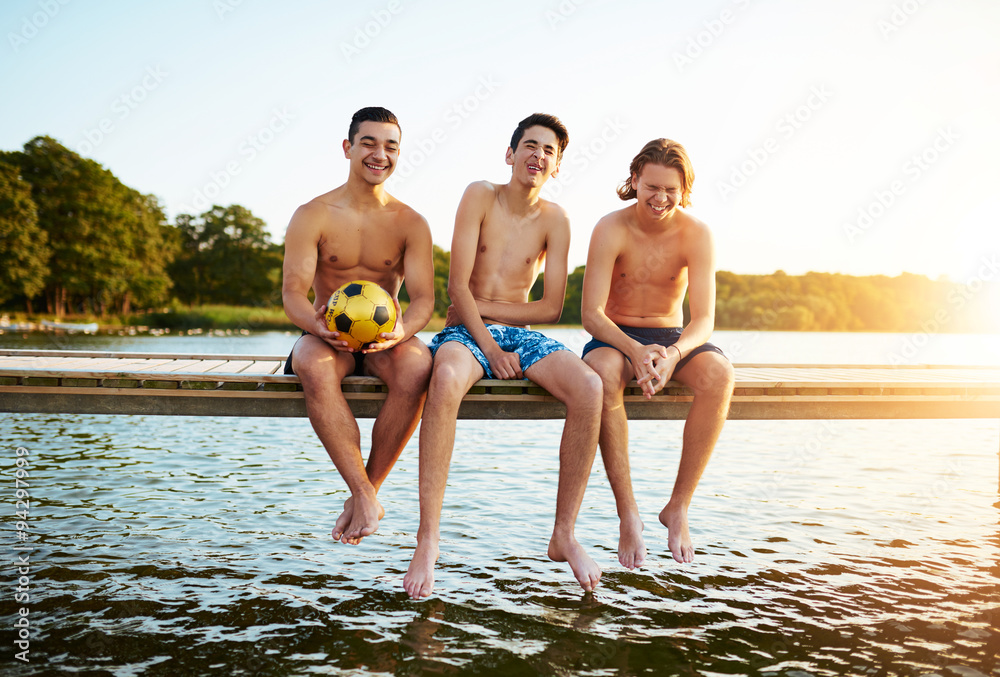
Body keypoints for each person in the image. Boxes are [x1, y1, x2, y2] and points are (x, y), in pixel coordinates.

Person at [402, 114, 604, 599]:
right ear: (510, 154)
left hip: (520, 333)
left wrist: (492, 316)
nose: (538, 155)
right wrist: (489, 344)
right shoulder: (480, 195)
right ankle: (427, 539)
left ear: (557, 165)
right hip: (466, 334)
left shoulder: (556, 220)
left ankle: (564, 533)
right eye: (529, 145)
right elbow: (456, 286)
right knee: (446, 379)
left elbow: (552, 307)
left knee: (590, 387)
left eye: (549, 150)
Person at [281, 106, 435, 546]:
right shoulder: (313, 213)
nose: (379, 154)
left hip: (386, 341)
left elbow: (423, 300)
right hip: (326, 336)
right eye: (368, 143)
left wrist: (401, 334)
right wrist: (314, 324)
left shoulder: (411, 222)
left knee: (418, 366)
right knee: (311, 362)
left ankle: (366, 493)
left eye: (390, 146)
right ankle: (364, 494)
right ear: (348, 148)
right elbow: (293, 291)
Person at [580, 138, 734, 568]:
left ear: (684, 189)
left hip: (671, 337)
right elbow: (590, 314)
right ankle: (628, 513)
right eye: (651, 187)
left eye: (671, 189)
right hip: (614, 335)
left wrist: (673, 355)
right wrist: (632, 351)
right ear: (634, 181)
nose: (660, 198)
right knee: (602, 376)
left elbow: (703, 319)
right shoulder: (610, 227)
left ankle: (678, 507)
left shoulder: (697, 233)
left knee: (720, 375)